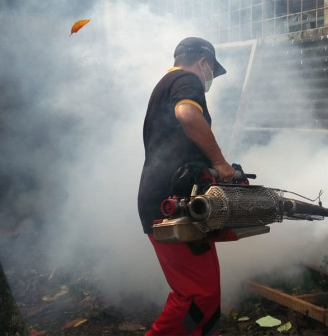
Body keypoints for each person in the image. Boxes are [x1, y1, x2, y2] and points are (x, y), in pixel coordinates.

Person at [137, 37, 235, 335]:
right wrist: (220, 162)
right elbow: (187, 114)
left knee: (209, 289)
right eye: (211, 73)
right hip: (169, 206)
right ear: (203, 63)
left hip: (183, 202)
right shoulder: (185, 78)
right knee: (196, 294)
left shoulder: (164, 86)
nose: (209, 80)